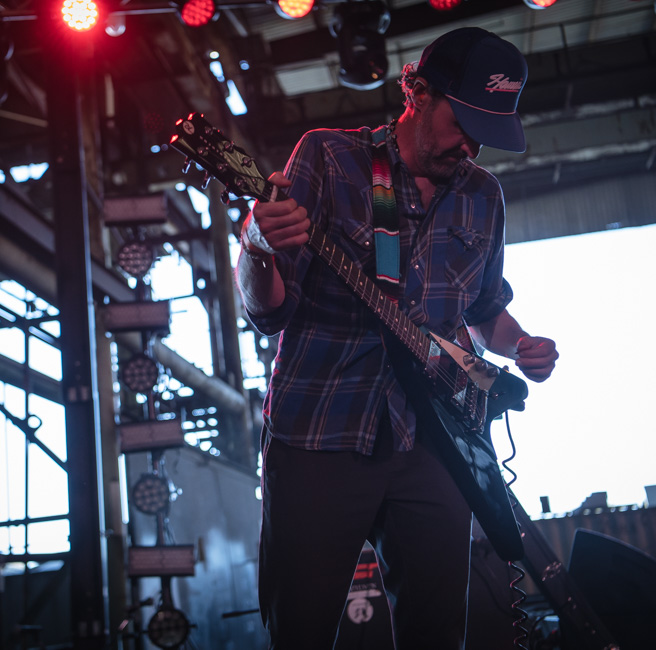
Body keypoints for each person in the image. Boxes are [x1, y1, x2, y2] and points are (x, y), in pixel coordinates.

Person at [236, 27, 559, 649]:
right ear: (418, 91)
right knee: (298, 631)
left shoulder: (482, 196)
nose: (471, 146)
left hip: (433, 440)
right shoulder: (330, 158)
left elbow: (486, 310)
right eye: (463, 122)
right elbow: (269, 312)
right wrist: (255, 245)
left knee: (439, 634)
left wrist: (519, 343)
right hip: (320, 433)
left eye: (485, 135)